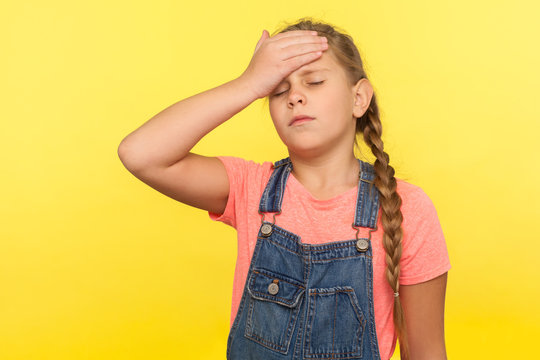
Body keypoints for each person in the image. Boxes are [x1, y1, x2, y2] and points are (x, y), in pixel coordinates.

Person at [118, 17, 450, 360]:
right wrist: (248, 84)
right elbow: (140, 154)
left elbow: (426, 353)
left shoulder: (406, 208)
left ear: (359, 98)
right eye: (278, 90)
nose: (295, 97)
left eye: (315, 81)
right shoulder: (251, 188)